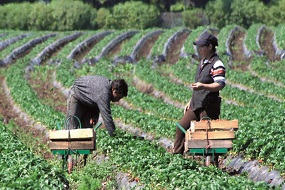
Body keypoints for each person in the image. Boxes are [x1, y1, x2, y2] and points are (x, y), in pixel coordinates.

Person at [173, 32, 226, 155]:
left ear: (210, 47)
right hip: (196, 105)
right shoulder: (202, 62)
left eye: (202, 46)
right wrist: (190, 101)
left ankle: (212, 165)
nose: (200, 49)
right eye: (199, 47)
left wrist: (203, 86)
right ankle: (177, 158)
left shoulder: (217, 64)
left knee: (207, 137)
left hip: (208, 107)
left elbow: (220, 84)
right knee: (180, 127)